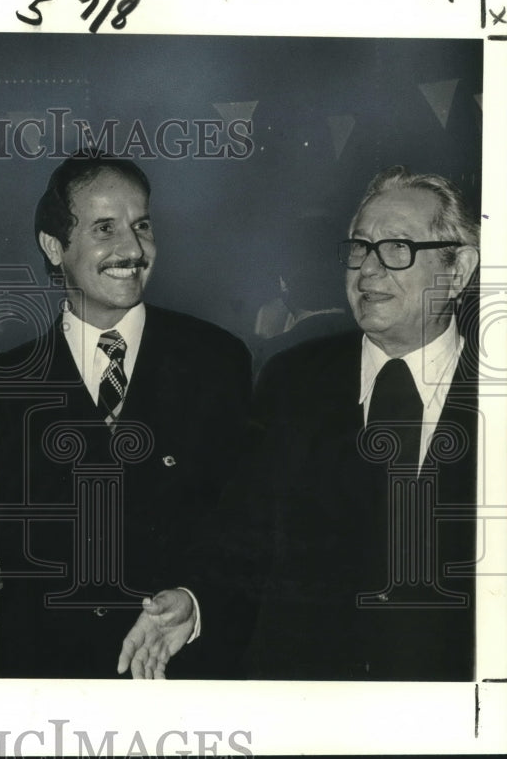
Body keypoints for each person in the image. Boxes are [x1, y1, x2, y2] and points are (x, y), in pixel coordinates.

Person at [179, 166, 480, 680]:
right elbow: (241, 544)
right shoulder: (292, 381)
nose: (368, 270)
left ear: (458, 270)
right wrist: (194, 603)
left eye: (397, 248)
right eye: (360, 247)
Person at [0, 150, 252, 679]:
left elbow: (246, 522)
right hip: (47, 689)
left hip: (181, 681)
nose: (132, 248)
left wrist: (195, 599)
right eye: (105, 228)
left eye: (141, 225)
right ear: (55, 247)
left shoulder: (217, 361)